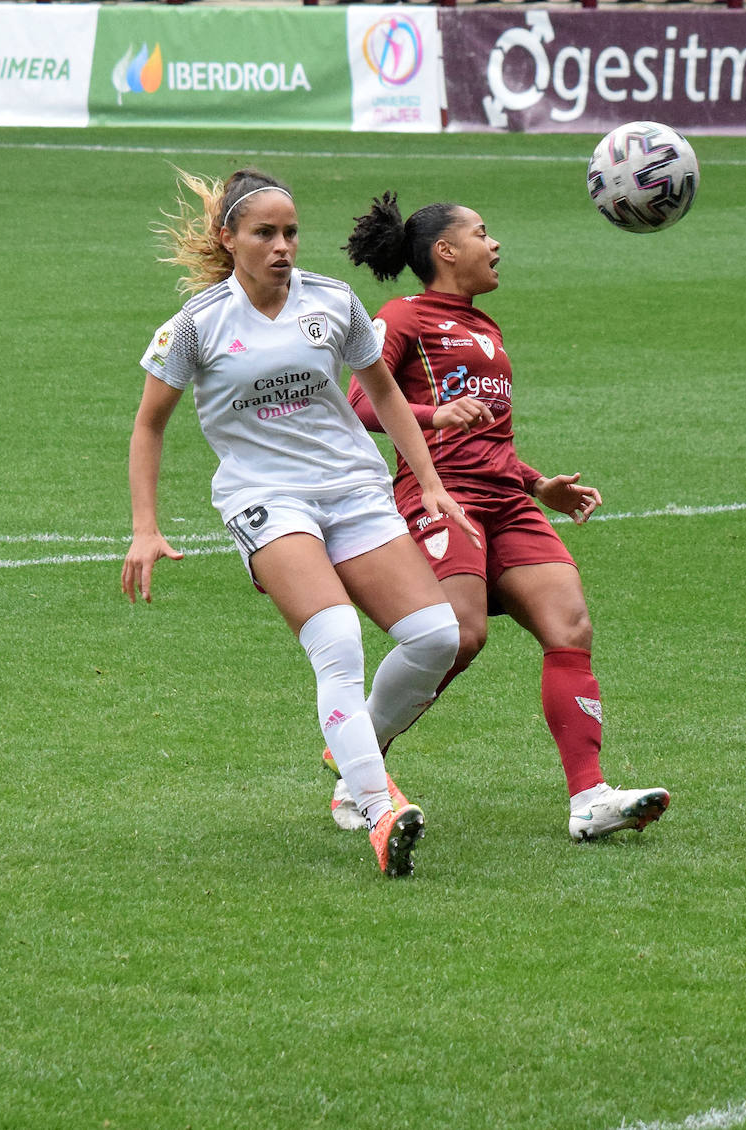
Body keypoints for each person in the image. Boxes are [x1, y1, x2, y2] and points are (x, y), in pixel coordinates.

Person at [123, 167, 483, 878]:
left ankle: (351, 746)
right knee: (338, 641)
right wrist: (145, 526)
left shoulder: (333, 301)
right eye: (265, 233)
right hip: (266, 499)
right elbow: (148, 427)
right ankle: (380, 811)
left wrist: (432, 484)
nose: (283, 245)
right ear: (229, 239)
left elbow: (382, 392)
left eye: (290, 231)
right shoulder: (197, 324)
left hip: (352, 490)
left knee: (437, 636)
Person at [335, 190, 670, 842]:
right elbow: (359, 406)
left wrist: (539, 483)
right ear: (446, 250)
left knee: (569, 624)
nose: (495, 245)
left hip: (506, 499)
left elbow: (491, 443)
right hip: (441, 496)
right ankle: (358, 762)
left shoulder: (487, 328)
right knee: (459, 635)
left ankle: (589, 798)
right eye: (482, 233)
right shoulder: (402, 316)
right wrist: (434, 415)